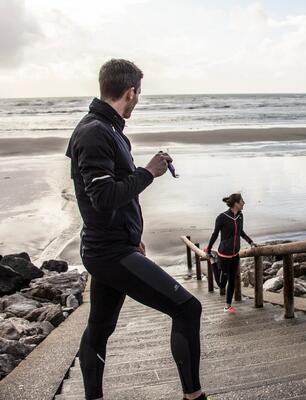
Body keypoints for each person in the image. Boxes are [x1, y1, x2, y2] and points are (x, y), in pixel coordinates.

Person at [65, 59, 208, 400]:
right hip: (108, 252)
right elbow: (102, 197)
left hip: (115, 245)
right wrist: (149, 172)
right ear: (130, 93)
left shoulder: (107, 129)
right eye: (139, 94)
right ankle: (194, 397)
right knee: (188, 308)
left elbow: (111, 195)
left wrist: (132, 235)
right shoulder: (94, 132)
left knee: (100, 327)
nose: (138, 100)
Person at [205, 193, 257, 312]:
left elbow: (241, 232)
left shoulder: (240, 216)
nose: (244, 203)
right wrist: (208, 249)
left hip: (235, 255)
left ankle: (228, 306)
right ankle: (213, 260)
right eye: (242, 201)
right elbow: (215, 234)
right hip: (224, 255)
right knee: (222, 284)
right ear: (236, 203)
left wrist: (251, 242)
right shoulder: (222, 217)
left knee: (232, 280)